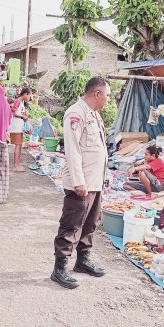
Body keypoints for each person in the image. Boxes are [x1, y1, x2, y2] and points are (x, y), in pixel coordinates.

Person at [51, 76, 110, 289]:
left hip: (95, 182)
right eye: (107, 95)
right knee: (71, 224)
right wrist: (78, 181)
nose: (108, 100)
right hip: (81, 182)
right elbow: (73, 150)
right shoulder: (76, 113)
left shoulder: (94, 114)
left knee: (90, 223)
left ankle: (83, 260)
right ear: (97, 94)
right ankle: (60, 268)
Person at [9, 88, 31, 172]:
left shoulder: (21, 102)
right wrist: (23, 116)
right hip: (16, 127)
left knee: (20, 145)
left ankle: (17, 164)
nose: (29, 97)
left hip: (19, 126)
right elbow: (13, 112)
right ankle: (16, 165)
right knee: (18, 145)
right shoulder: (18, 101)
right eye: (29, 95)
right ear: (25, 94)